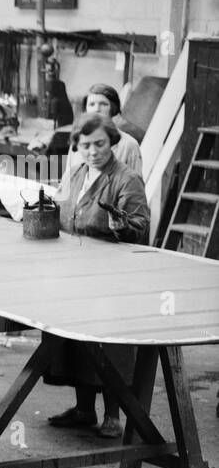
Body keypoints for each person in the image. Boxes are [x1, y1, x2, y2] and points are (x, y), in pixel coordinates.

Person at [44, 113, 150, 439]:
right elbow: (66, 212)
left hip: (111, 277)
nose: (93, 152)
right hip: (76, 271)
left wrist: (123, 227)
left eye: (100, 144)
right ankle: (84, 409)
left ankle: (113, 415)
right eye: (86, 145)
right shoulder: (76, 173)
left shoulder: (126, 179)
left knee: (108, 345)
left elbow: (139, 225)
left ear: (112, 142)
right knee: (76, 341)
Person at [67, 83, 143, 180]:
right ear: (86, 109)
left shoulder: (129, 144)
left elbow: (135, 187)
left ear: (113, 108)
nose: (97, 109)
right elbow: (68, 182)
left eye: (103, 104)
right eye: (91, 104)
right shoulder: (79, 141)